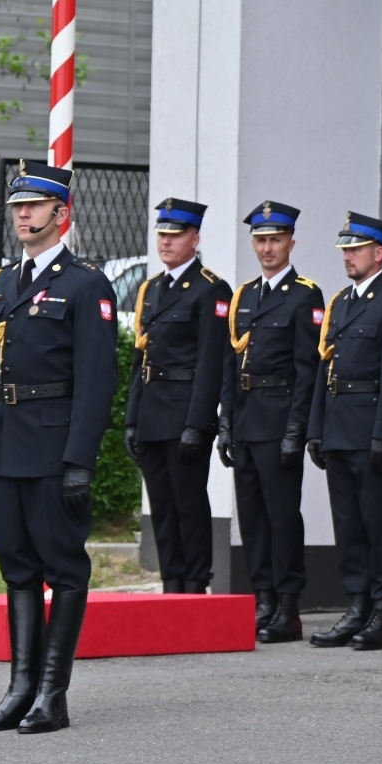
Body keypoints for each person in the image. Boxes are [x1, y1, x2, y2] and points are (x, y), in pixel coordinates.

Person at [0, 161, 119, 734]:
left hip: (53, 450)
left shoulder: (84, 284)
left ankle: (53, 693)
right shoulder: (1, 283)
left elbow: (97, 380)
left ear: (61, 212)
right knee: (17, 567)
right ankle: (19, 689)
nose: (23, 215)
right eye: (17, 207)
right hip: (6, 446)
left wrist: (80, 460)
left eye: (33, 206)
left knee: (64, 568)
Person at [306, 213, 382, 651]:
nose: (348, 257)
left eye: (355, 249)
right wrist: (316, 429)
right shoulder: (340, 302)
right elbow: (325, 369)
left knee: (376, 521)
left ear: (379, 252)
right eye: (345, 250)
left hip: (373, 430)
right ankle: (356, 606)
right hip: (338, 429)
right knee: (348, 524)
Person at [218, 201, 324, 643]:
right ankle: (262, 598)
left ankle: (287, 606)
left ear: (290, 243)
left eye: (275, 240)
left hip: (279, 422)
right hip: (246, 420)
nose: (267, 248)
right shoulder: (244, 296)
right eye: (260, 240)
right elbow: (231, 363)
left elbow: (307, 371)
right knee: (253, 518)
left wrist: (297, 430)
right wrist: (225, 422)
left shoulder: (304, 295)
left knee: (282, 517)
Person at [124, 198, 231, 594]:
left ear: (194, 239)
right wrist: (132, 419)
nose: (166, 242)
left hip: (185, 412)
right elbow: (141, 358)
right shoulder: (152, 289)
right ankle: (172, 582)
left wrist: (197, 423)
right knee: (162, 506)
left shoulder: (210, 289)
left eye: (175, 235)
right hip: (153, 412)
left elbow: (211, 362)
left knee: (188, 503)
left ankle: (195, 582)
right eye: (162, 234)